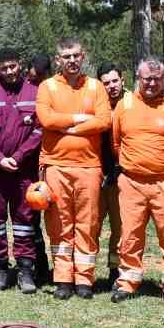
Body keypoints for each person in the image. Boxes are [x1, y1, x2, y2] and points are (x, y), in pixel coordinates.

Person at [111, 58, 164, 303]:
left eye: (157, 79)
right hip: (131, 182)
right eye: (147, 78)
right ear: (138, 78)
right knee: (130, 234)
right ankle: (127, 282)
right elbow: (116, 144)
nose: (151, 83)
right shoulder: (124, 104)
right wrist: (134, 163)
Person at [35, 38, 112, 300]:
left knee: (88, 223)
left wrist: (67, 127)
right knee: (59, 224)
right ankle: (63, 279)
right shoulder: (47, 87)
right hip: (56, 165)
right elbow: (46, 119)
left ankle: (85, 279)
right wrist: (80, 118)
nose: (71, 60)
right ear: (58, 60)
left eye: (76, 55)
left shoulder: (96, 86)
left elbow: (104, 121)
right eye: (66, 56)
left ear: (83, 56)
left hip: (89, 167)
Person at [0, 48, 42, 293]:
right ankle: (1, 268)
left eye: (13, 66)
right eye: (4, 68)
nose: (9, 71)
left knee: (25, 222)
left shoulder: (35, 93)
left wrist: (20, 156)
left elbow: (39, 130)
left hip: (24, 171)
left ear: (20, 64)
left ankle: (25, 270)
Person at [96, 62, 126, 285]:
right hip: (96, 174)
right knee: (91, 225)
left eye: (115, 81)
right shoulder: (95, 106)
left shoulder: (132, 105)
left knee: (120, 227)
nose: (111, 86)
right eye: (106, 82)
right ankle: (83, 271)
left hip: (122, 176)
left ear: (123, 80)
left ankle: (115, 270)